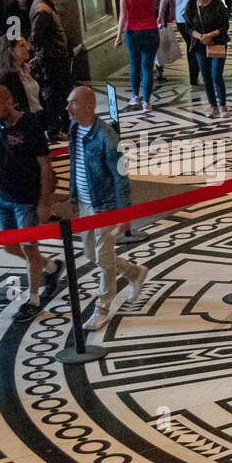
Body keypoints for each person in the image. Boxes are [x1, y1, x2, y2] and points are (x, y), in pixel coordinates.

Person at [65, 86, 149, 331]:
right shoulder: (73, 129)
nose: (67, 107)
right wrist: (72, 196)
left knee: (102, 256)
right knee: (92, 254)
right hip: (84, 202)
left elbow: (120, 177)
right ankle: (134, 272)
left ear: (89, 106)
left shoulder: (107, 136)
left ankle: (102, 308)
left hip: (105, 205)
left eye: (72, 103)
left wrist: (124, 215)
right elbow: (75, 163)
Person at [0, 85, 62, 323]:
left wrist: (44, 202)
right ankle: (52, 268)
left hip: (27, 197)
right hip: (4, 197)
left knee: (29, 248)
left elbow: (45, 165)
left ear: (8, 101)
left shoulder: (30, 125)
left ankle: (33, 300)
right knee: (8, 245)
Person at [114, 0, 161, 113]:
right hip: (151, 30)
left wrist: (118, 35)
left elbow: (123, 15)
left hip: (132, 32)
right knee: (147, 67)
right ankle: (146, 102)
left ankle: (135, 96)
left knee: (134, 64)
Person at [30, 0, 71, 141]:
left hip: (56, 58)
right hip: (52, 60)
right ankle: (55, 130)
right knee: (55, 96)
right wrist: (38, 58)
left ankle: (66, 126)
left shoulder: (46, 5)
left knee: (61, 94)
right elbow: (36, 38)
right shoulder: (43, 10)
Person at [184, 0, 231, 119]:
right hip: (199, 46)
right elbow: (188, 27)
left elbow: (224, 25)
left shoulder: (216, 3)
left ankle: (222, 104)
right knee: (206, 76)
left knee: (216, 75)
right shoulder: (191, 5)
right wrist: (200, 37)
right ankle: (213, 105)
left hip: (217, 43)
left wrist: (211, 35)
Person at [158, 0, 201, 92]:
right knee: (197, 47)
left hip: (181, 19)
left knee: (191, 46)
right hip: (198, 18)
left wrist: (161, 14)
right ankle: (196, 80)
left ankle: (194, 81)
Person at [0, 36, 43, 115]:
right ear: (11, 51)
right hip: (25, 122)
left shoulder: (28, 70)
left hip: (39, 119)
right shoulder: (4, 77)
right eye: (22, 45)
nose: (28, 48)